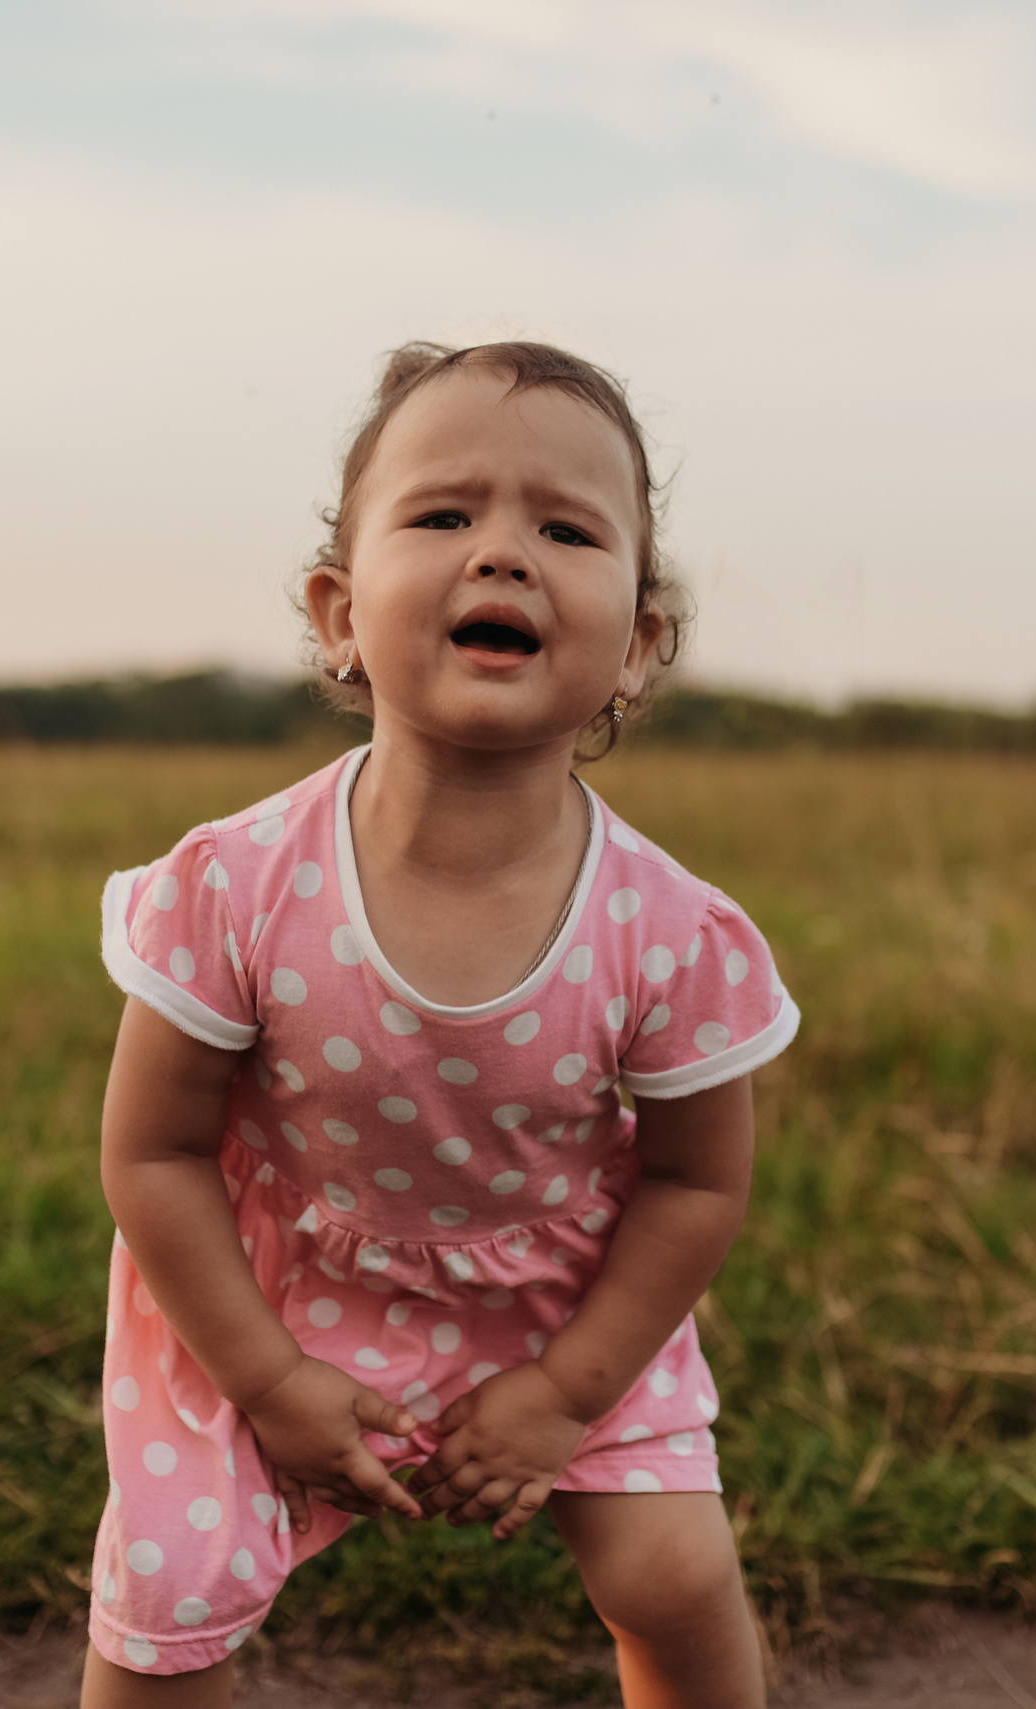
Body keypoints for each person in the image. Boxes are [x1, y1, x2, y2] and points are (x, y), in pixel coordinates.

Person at [78, 342, 800, 1708]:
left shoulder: (668, 930)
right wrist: (271, 1377)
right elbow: (152, 1154)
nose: (504, 554)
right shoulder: (234, 886)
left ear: (639, 643)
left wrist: (566, 1394)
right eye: (445, 513)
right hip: (267, 1289)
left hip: (562, 1304)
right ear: (339, 611)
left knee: (669, 1571)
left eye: (567, 527)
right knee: (172, 1592)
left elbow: (700, 1181)